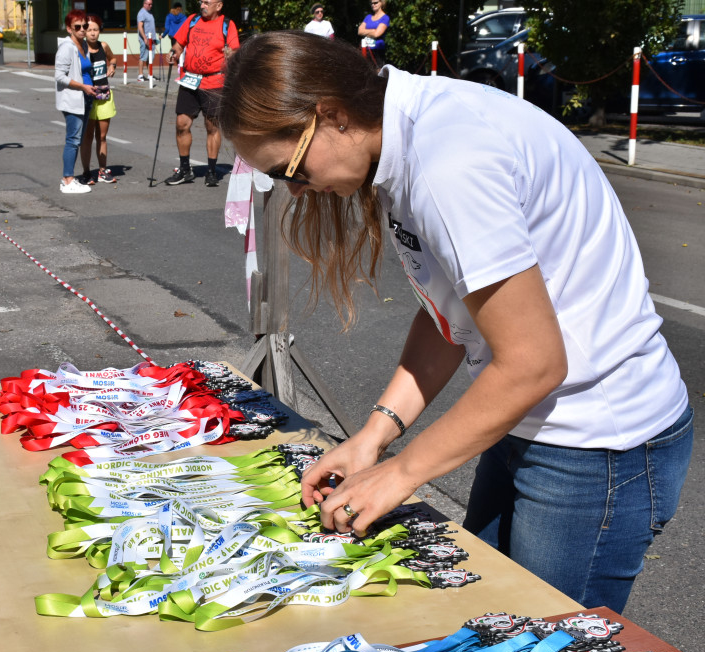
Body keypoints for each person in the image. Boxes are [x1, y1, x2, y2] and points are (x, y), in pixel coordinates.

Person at [219, 31, 693, 613]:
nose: (297, 189)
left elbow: (534, 362)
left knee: (550, 649)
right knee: (486, 622)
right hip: (528, 426)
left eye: (289, 169)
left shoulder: (447, 166)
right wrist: (374, 437)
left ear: (332, 115)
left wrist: (402, 474)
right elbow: (452, 312)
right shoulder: (406, 131)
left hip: (597, 445)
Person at [165, 0, 239, 187]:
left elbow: (235, 52)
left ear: (219, 5)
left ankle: (212, 171)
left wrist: (230, 54)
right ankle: (185, 170)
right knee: (182, 123)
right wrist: (173, 52)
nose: (202, 5)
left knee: (211, 126)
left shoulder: (227, 25)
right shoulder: (192, 20)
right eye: (201, 1)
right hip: (190, 80)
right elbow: (179, 44)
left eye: (207, 2)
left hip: (214, 82)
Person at [55, 10, 96, 194]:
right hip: (73, 99)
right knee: (72, 140)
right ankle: (67, 179)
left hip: (86, 98)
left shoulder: (84, 45)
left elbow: (86, 71)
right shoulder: (67, 47)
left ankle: (70, 178)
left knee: (77, 139)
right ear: (69, 29)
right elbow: (59, 77)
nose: (82, 30)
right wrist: (82, 87)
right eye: (77, 27)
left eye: (84, 26)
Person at [79, 15, 118, 185]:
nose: (93, 33)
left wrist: (112, 66)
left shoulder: (104, 46)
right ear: (84, 31)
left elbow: (113, 58)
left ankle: (102, 171)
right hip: (88, 96)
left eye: (96, 29)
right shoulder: (81, 49)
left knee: (102, 136)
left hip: (104, 96)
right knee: (87, 137)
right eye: (89, 30)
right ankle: (87, 172)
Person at [358, 0, 389, 66]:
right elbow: (359, 31)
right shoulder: (368, 17)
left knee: (377, 73)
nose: (373, 5)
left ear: (381, 3)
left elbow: (377, 34)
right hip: (365, 50)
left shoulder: (385, 18)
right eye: (371, 3)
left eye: (375, 3)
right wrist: (373, 30)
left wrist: (366, 31)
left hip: (378, 51)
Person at [136, 0, 156, 82]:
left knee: (150, 58)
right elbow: (140, 27)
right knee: (143, 57)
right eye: (149, 4)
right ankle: (140, 75)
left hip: (152, 39)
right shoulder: (142, 13)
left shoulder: (149, 13)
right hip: (145, 39)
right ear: (144, 4)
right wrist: (144, 38)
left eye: (151, 4)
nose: (150, 6)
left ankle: (150, 75)